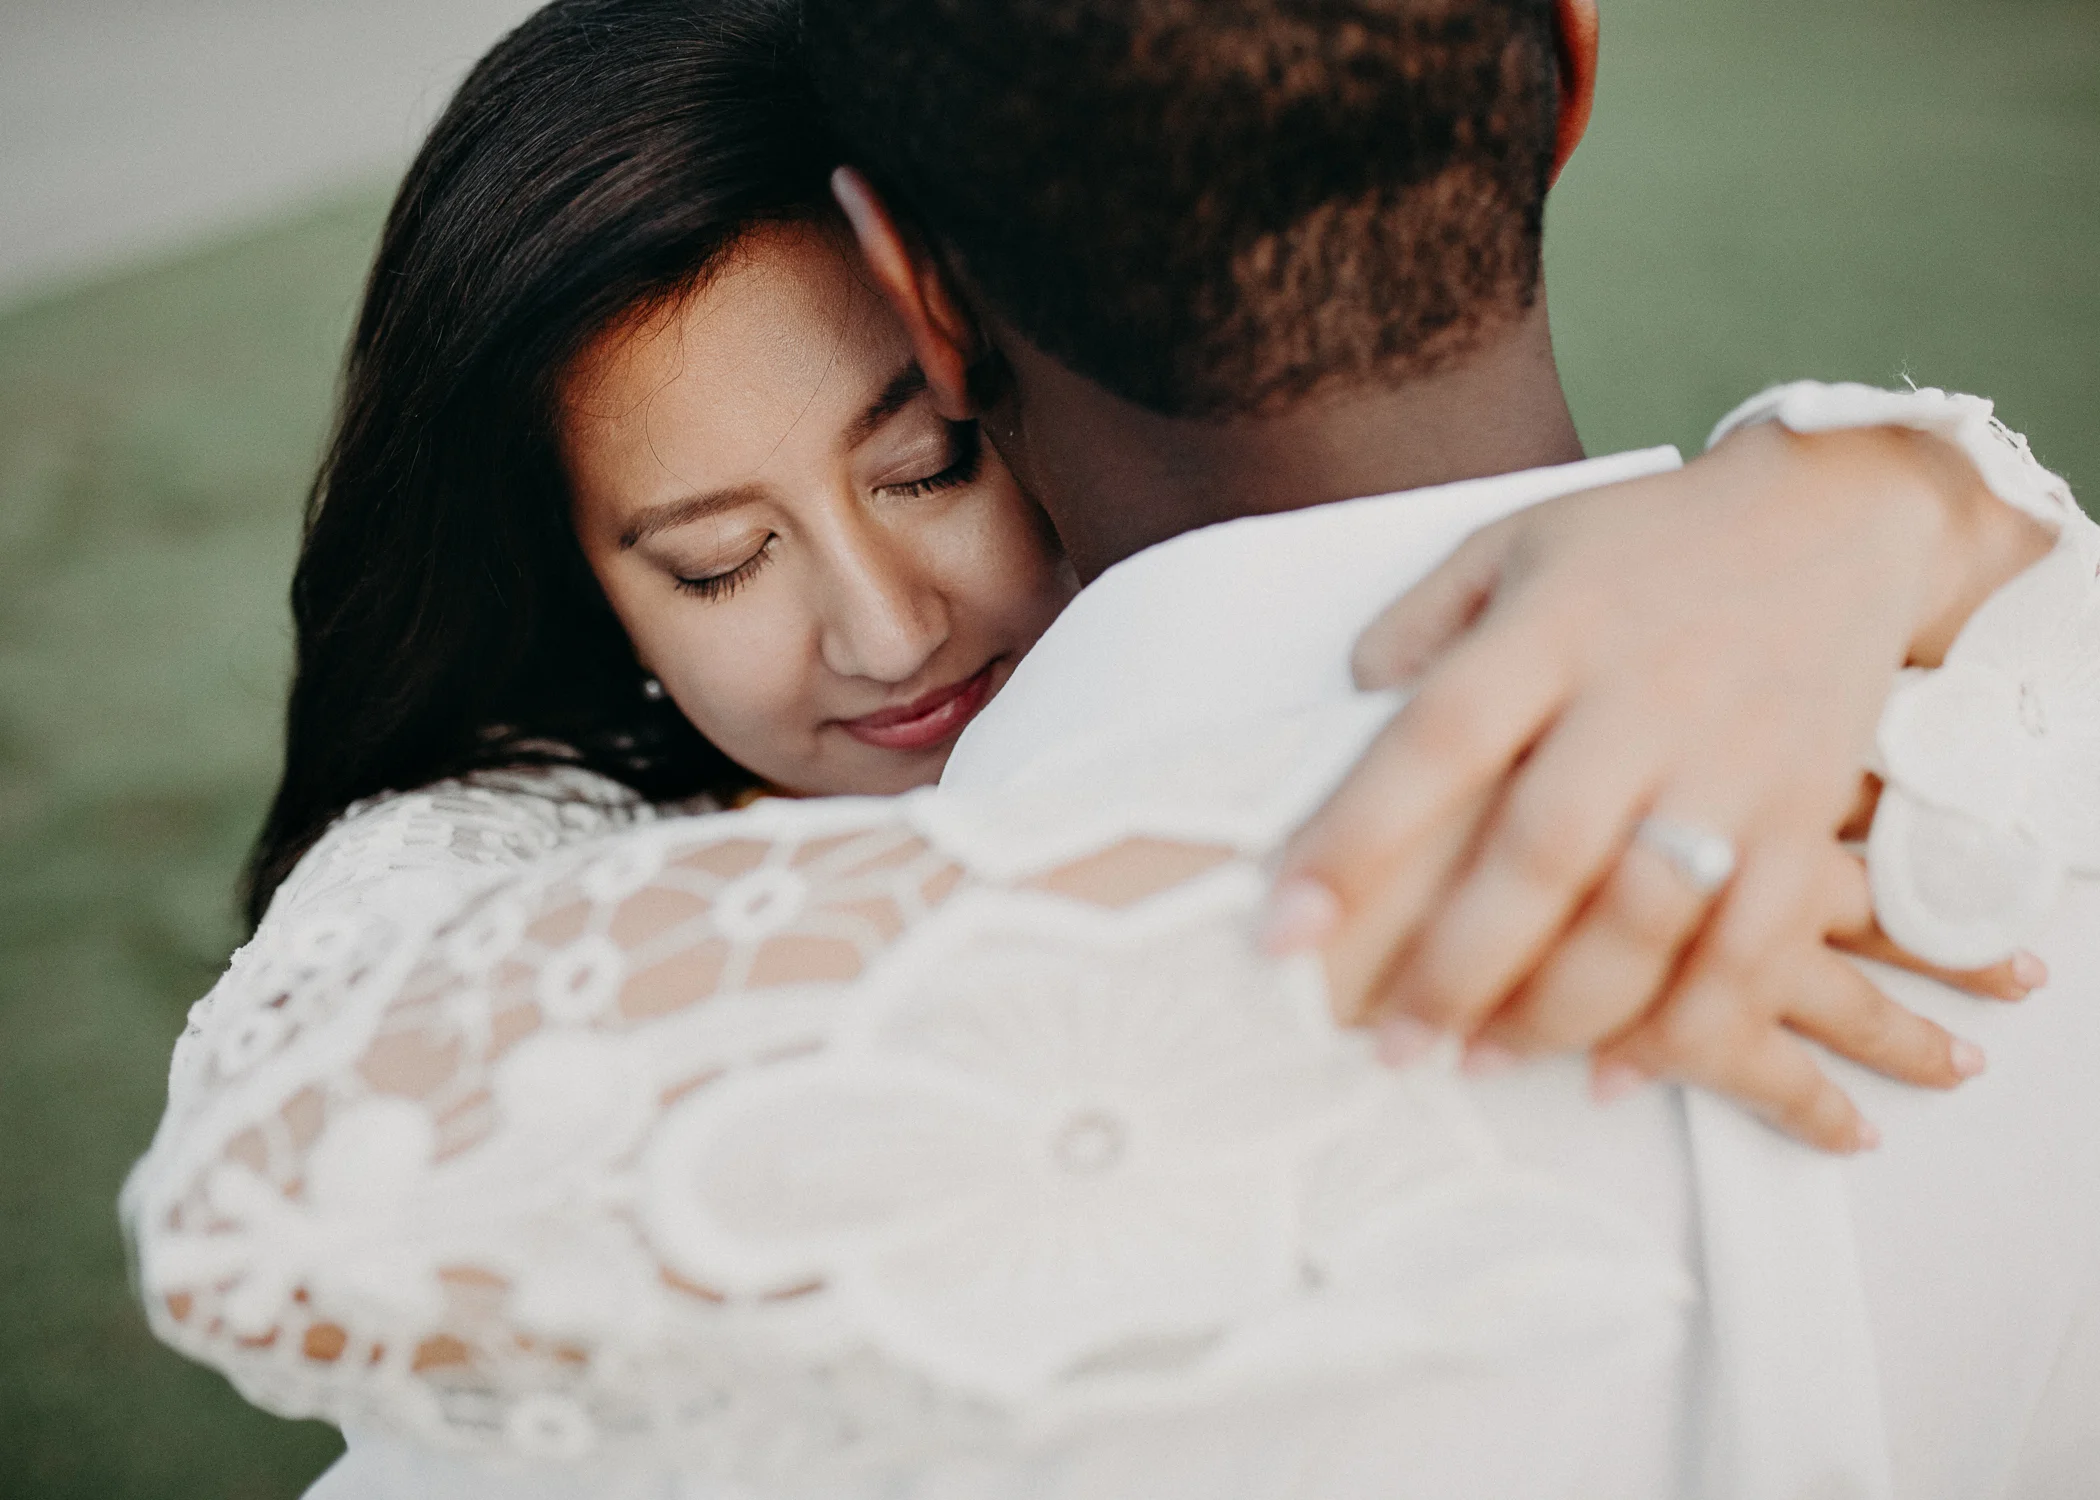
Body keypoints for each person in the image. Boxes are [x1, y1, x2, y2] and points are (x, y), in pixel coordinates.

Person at [121, 1, 2097, 1496]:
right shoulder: (1990, 658)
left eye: (925, 470)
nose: (888, 631)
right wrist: (1893, 487)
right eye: (715, 556)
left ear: (926, 295)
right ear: (1568, 67)